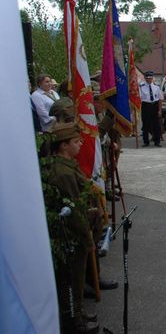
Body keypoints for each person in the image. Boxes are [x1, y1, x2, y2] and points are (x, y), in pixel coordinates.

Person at [46, 122, 101, 333]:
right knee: (72, 278)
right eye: (76, 141)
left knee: (77, 277)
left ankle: (78, 311)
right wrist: (87, 237)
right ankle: (74, 320)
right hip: (72, 235)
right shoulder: (63, 173)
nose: (81, 143)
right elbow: (73, 208)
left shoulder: (68, 165)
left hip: (79, 230)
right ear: (63, 146)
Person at [139, 71, 162, 147]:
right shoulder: (141, 87)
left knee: (157, 125)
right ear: (145, 78)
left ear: (152, 78)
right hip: (146, 106)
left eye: (150, 78)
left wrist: (159, 110)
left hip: (154, 105)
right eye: (147, 78)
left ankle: (157, 141)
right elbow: (139, 98)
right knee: (146, 125)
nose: (149, 80)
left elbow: (160, 99)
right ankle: (146, 141)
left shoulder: (157, 87)